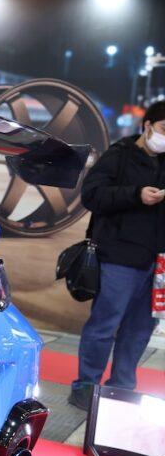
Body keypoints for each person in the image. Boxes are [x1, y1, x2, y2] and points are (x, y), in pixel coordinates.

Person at [69, 101, 165, 409]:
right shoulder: (119, 155)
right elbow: (92, 195)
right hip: (119, 257)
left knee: (140, 330)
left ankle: (122, 387)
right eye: (164, 129)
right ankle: (86, 386)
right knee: (104, 325)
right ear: (147, 126)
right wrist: (136, 194)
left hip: (159, 264)